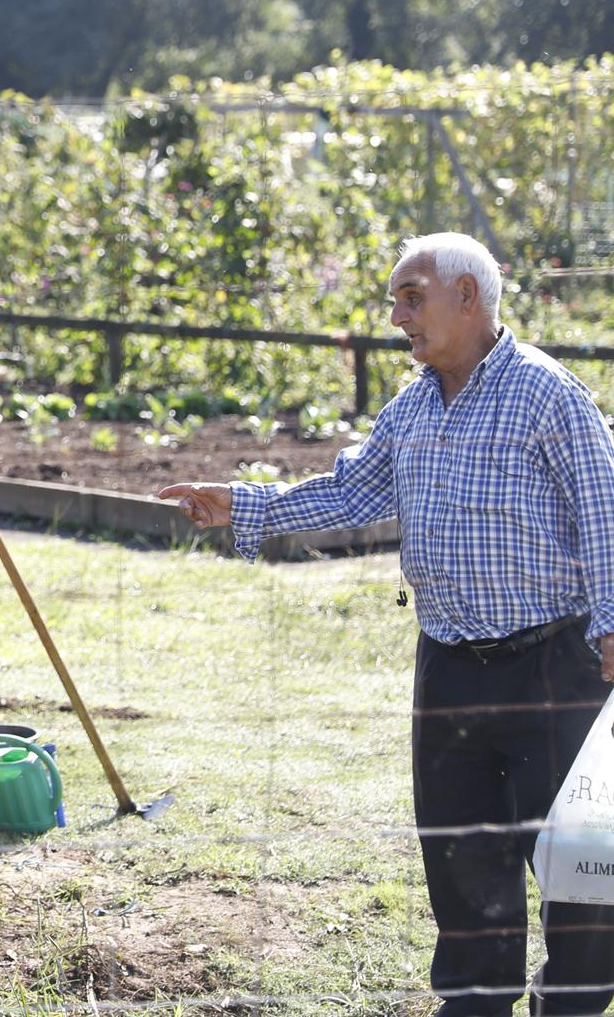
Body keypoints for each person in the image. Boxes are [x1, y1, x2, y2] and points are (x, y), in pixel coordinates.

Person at [160, 232, 614, 1017]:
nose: (397, 314)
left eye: (412, 295)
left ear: (467, 297)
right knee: (461, 852)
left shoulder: (548, 393)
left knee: (579, 866)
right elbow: (348, 495)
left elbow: (603, 509)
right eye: (395, 299)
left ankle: (570, 1002)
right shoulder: (409, 407)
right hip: (447, 668)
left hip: (553, 666)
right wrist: (243, 503)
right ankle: (474, 1003)